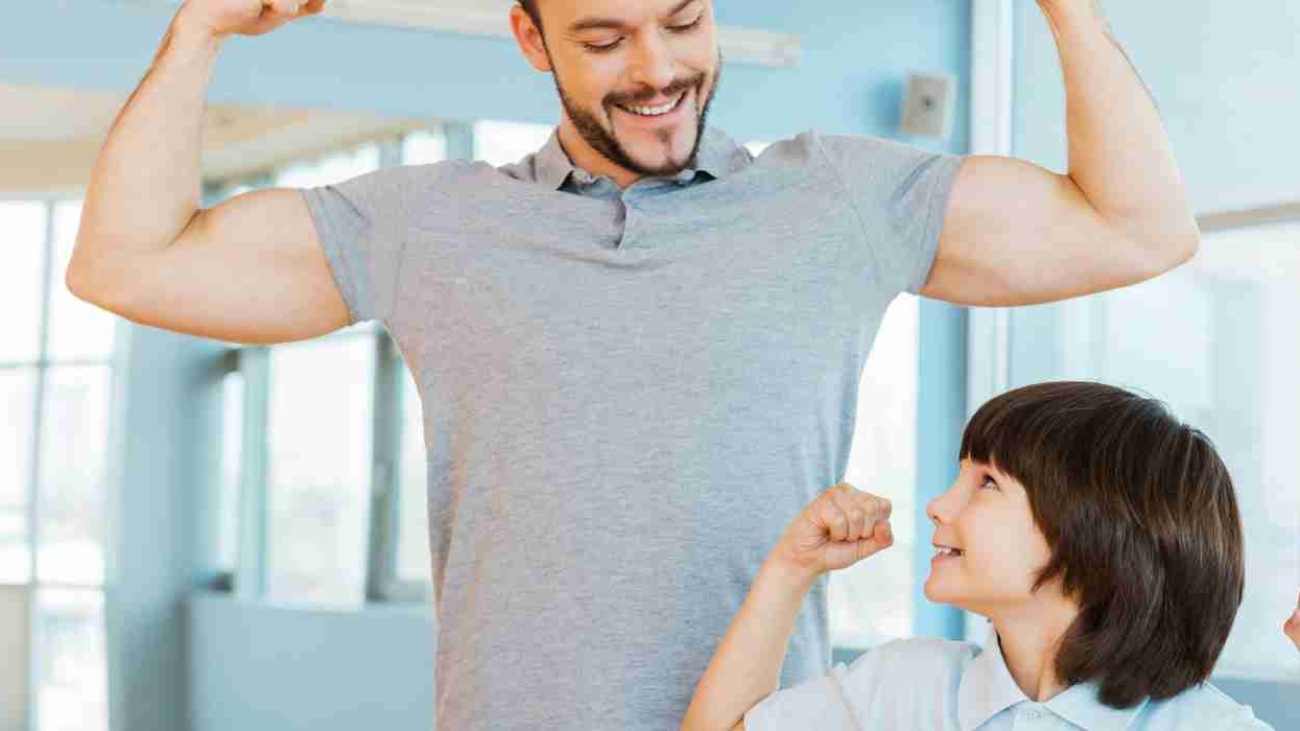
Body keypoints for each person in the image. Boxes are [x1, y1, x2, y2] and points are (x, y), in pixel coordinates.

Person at [65, 1, 1204, 729]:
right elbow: (129, 265)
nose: (658, 69)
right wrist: (197, 33)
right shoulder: (429, 223)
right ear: (531, 40)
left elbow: (1138, 228)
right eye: (605, 40)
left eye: (683, 21)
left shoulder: (838, 200)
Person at [681, 381, 1284, 731]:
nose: (938, 506)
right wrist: (790, 570)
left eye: (987, 482)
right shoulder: (902, 688)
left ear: (1094, 532)